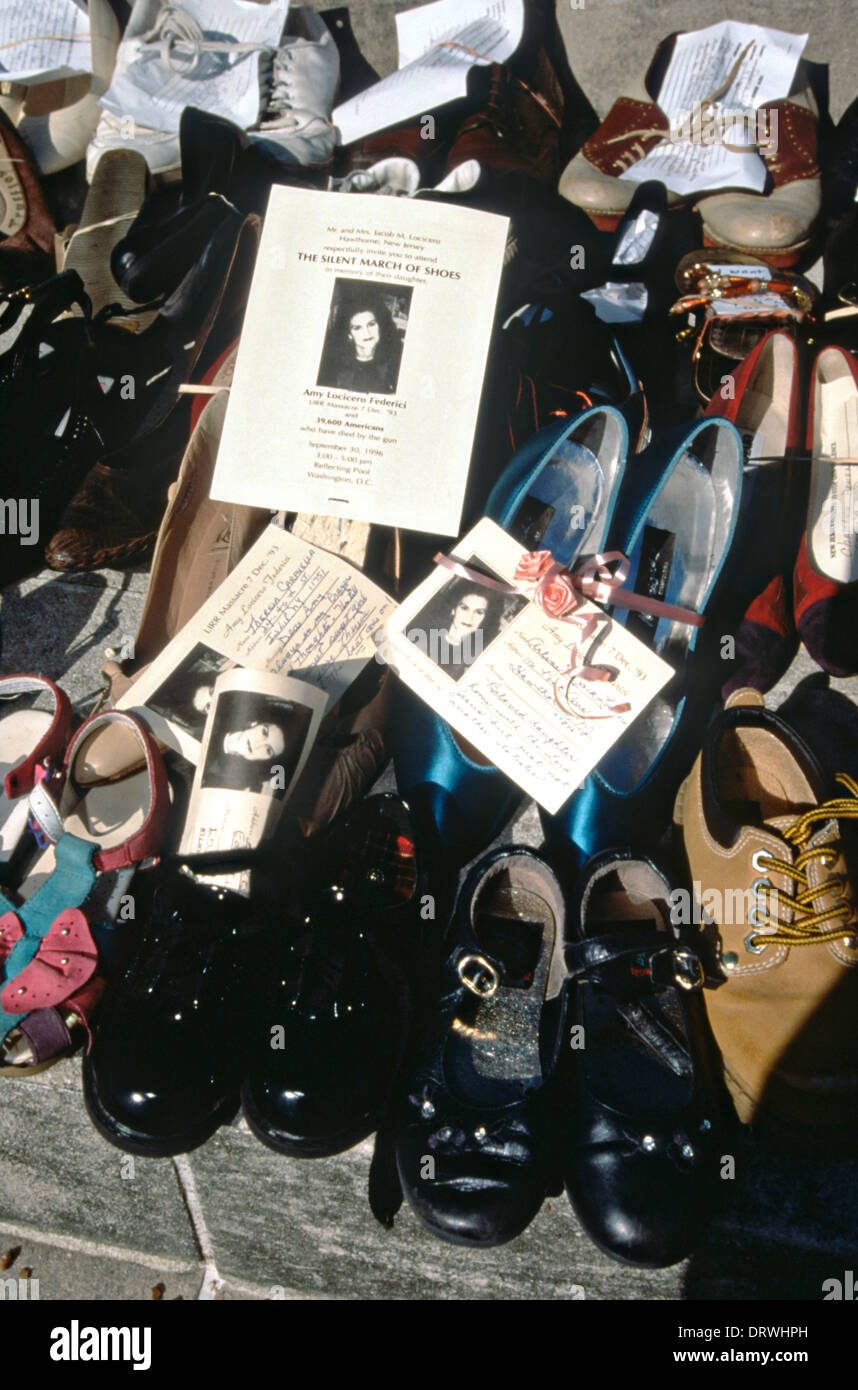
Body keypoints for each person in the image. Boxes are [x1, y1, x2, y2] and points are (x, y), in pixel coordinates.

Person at [320, 291, 403, 394]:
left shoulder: (396, 363)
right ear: (349, 335)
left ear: (380, 326)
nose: (367, 332)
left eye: (371, 324)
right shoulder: (333, 368)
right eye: (357, 328)